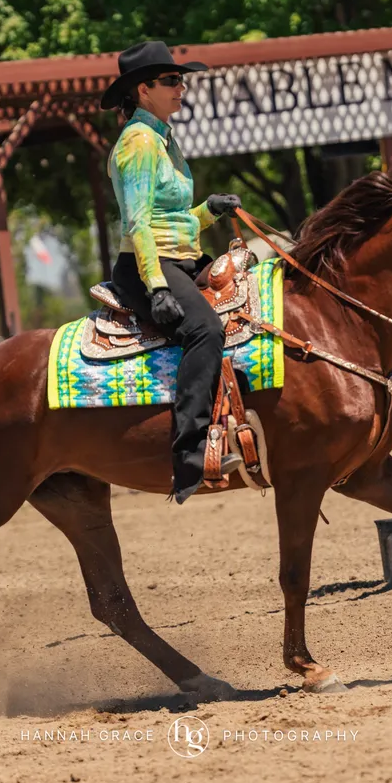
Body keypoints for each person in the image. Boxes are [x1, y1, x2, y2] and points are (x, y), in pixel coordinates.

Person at [99, 40, 244, 503]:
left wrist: (208, 211)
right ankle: (190, 455)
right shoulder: (139, 142)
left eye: (181, 79)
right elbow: (139, 221)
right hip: (147, 266)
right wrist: (157, 287)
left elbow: (172, 218)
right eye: (171, 81)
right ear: (144, 90)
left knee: (251, 284)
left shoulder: (163, 136)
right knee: (204, 331)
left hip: (176, 256)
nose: (182, 87)